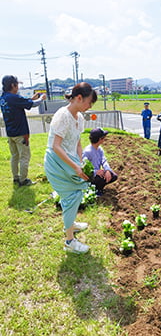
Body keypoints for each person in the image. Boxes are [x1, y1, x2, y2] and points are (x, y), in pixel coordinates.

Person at [44, 82, 97, 254]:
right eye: (89, 102)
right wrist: (75, 165)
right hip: (57, 163)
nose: (89, 107)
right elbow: (56, 146)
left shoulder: (79, 118)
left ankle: (71, 225)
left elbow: (78, 142)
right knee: (71, 197)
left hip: (70, 162)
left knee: (77, 192)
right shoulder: (63, 115)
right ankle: (69, 241)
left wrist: (80, 161)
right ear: (79, 98)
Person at [0, 75, 46, 186]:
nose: (18, 87)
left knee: (15, 156)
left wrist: (31, 98)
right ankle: (23, 180)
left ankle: (16, 178)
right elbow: (33, 104)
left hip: (10, 133)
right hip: (20, 133)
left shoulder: (3, 97)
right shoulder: (14, 97)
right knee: (25, 156)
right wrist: (41, 99)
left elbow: (22, 103)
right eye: (17, 85)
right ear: (12, 85)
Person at [82, 128, 118, 196]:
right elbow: (84, 168)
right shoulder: (87, 152)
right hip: (91, 176)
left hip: (99, 173)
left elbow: (104, 160)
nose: (104, 139)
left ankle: (99, 187)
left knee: (113, 176)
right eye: (103, 137)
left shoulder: (99, 149)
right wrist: (95, 171)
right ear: (100, 139)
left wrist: (107, 170)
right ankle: (95, 189)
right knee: (99, 178)